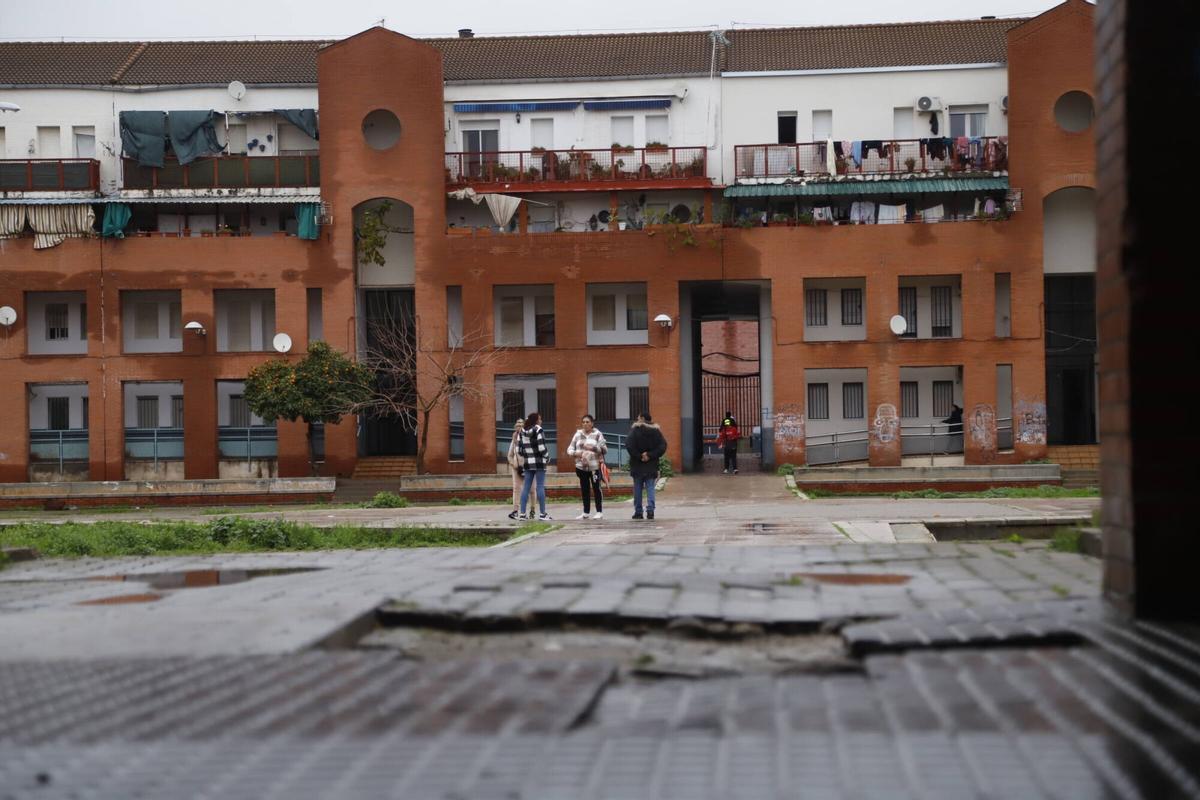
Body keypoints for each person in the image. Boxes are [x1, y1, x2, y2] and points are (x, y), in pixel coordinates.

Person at [626, 412, 667, 520]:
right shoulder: (656, 432)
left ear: (643, 419)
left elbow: (629, 445)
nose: (637, 420)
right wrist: (650, 455)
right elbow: (663, 446)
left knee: (638, 488)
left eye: (638, 418)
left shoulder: (635, 431)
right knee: (650, 488)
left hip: (637, 465)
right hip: (651, 465)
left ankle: (638, 512)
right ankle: (650, 510)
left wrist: (640, 456)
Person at [567, 414, 608, 520]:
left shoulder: (598, 434)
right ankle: (586, 512)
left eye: (587, 422)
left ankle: (599, 511)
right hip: (581, 467)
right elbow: (569, 450)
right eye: (583, 422)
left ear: (592, 423)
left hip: (594, 467)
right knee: (584, 489)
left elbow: (604, 450)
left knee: (596, 488)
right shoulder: (577, 435)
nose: (585, 424)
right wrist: (577, 453)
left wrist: (594, 448)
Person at [517, 412, 552, 521]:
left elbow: (519, 450)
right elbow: (542, 448)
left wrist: (528, 455)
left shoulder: (521, 431)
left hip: (528, 462)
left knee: (526, 487)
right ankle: (542, 514)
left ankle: (522, 514)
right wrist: (547, 457)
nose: (541, 421)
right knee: (540, 486)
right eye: (540, 419)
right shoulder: (538, 429)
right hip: (540, 462)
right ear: (536, 420)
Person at [505, 419, 525, 520]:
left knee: (531, 490)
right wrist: (514, 464)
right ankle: (515, 510)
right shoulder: (514, 439)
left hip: (528, 468)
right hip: (517, 468)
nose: (520, 427)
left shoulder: (528, 437)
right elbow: (509, 455)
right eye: (518, 425)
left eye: (521, 425)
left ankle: (530, 511)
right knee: (516, 489)